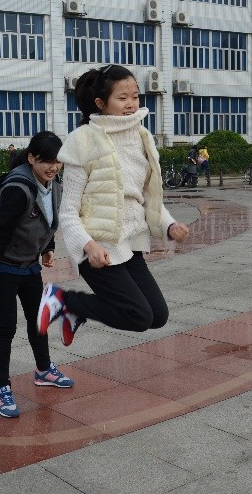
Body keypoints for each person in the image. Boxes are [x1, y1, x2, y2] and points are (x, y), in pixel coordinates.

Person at [36, 64, 190, 347]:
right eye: (122, 97)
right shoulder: (83, 140)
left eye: (135, 96)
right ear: (100, 102)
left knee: (158, 316)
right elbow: (68, 212)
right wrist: (89, 246)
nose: (131, 104)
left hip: (130, 245)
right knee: (139, 316)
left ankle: (74, 311)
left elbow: (147, 197)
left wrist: (169, 225)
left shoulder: (143, 137)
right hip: (99, 248)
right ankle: (63, 299)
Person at [0, 131, 74, 418]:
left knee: (38, 320)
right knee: (6, 328)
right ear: (31, 158)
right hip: (4, 269)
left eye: (58, 162)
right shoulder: (17, 188)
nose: (53, 167)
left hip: (30, 266)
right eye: (47, 162)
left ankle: (43, 370)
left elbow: (49, 220)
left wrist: (48, 248)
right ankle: (2, 389)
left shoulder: (54, 184)